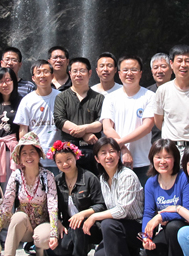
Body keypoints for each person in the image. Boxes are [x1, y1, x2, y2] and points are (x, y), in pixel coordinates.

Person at [0, 132, 58, 256]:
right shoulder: (16, 176)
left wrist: (54, 233)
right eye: (24, 153)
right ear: (20, 157)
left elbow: (53, 206)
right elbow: (7, 205)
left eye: (32, 152)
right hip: (24, 227)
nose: (28, 157)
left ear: (38, 154)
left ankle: (39, 249)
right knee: (17, 216)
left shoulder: (48, 176)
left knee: (43, 238)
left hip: (42, 224)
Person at [82, 137, 144, 256]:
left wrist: (94, 217)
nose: (108, 156)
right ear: (97, 158)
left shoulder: (127, 176)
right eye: (103, 153)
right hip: (119, 227)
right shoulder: (103, 178)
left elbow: (121, 211)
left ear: (118, 154)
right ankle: (130, 255)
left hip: (136, 228)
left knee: (108, 223)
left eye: (112, 151)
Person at [141, 139, 189, 256]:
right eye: (158, 157)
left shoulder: (184, 178)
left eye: (167, 157)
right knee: (151, 253)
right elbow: (148, 213)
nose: (162, 161)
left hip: (187, 228)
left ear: (175, 159)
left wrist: (161, 216)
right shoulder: (151, 183)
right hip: (167, 230)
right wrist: (146, 236)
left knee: (174, 226)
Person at [48, 141, 106, 256]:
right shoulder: (57, 181)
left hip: (91, 224)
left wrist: (83, 214)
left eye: (68, 159)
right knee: (57, 249)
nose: (65, 164)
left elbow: (101, 205)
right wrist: (58, 222)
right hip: (70, 225)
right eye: (59, 162)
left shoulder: (89, 178)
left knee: (78, 223)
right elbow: (52, 206)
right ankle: (82, 246)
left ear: (76, 157)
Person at [100, 55, 156, 185]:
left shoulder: (150, 96)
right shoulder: (110, 98)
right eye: (125, 70)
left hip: (143, 160)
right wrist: (123, 149)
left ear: (140, 73)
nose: (129, 73)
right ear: (119, 73)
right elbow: (107, 128)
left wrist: (119, 143)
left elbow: (146, 127)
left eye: (134, 70)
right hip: (116, 161)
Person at [54, 57, 104, 174]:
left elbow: (101, 122)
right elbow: (59, 120)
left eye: (82, 71)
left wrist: (83, 129)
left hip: (93, 151)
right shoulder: (61, 97)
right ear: (70, 73)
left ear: (89, 73)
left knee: (94, 182)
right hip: (68, 152)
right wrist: (84, 134)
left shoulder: (99, 98)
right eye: (75, 71)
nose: (78, 74)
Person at [15, 59, 60, 171]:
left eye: (46, 72)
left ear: (52, 76)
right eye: (38, 72)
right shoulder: (27, 100)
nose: (42, 75)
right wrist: (25, 154)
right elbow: (23, 130)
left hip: (59, 158)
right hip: (36, 158)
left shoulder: (61, 97)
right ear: (33, 78)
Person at [147, 52, 172, 143]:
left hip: (174, 142)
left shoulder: (180, 91)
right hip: (151, 143)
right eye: (156, 67)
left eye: (163, 67)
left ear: (171, 69)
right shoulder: (146, 93)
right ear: (152, 72)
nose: (159, 71)